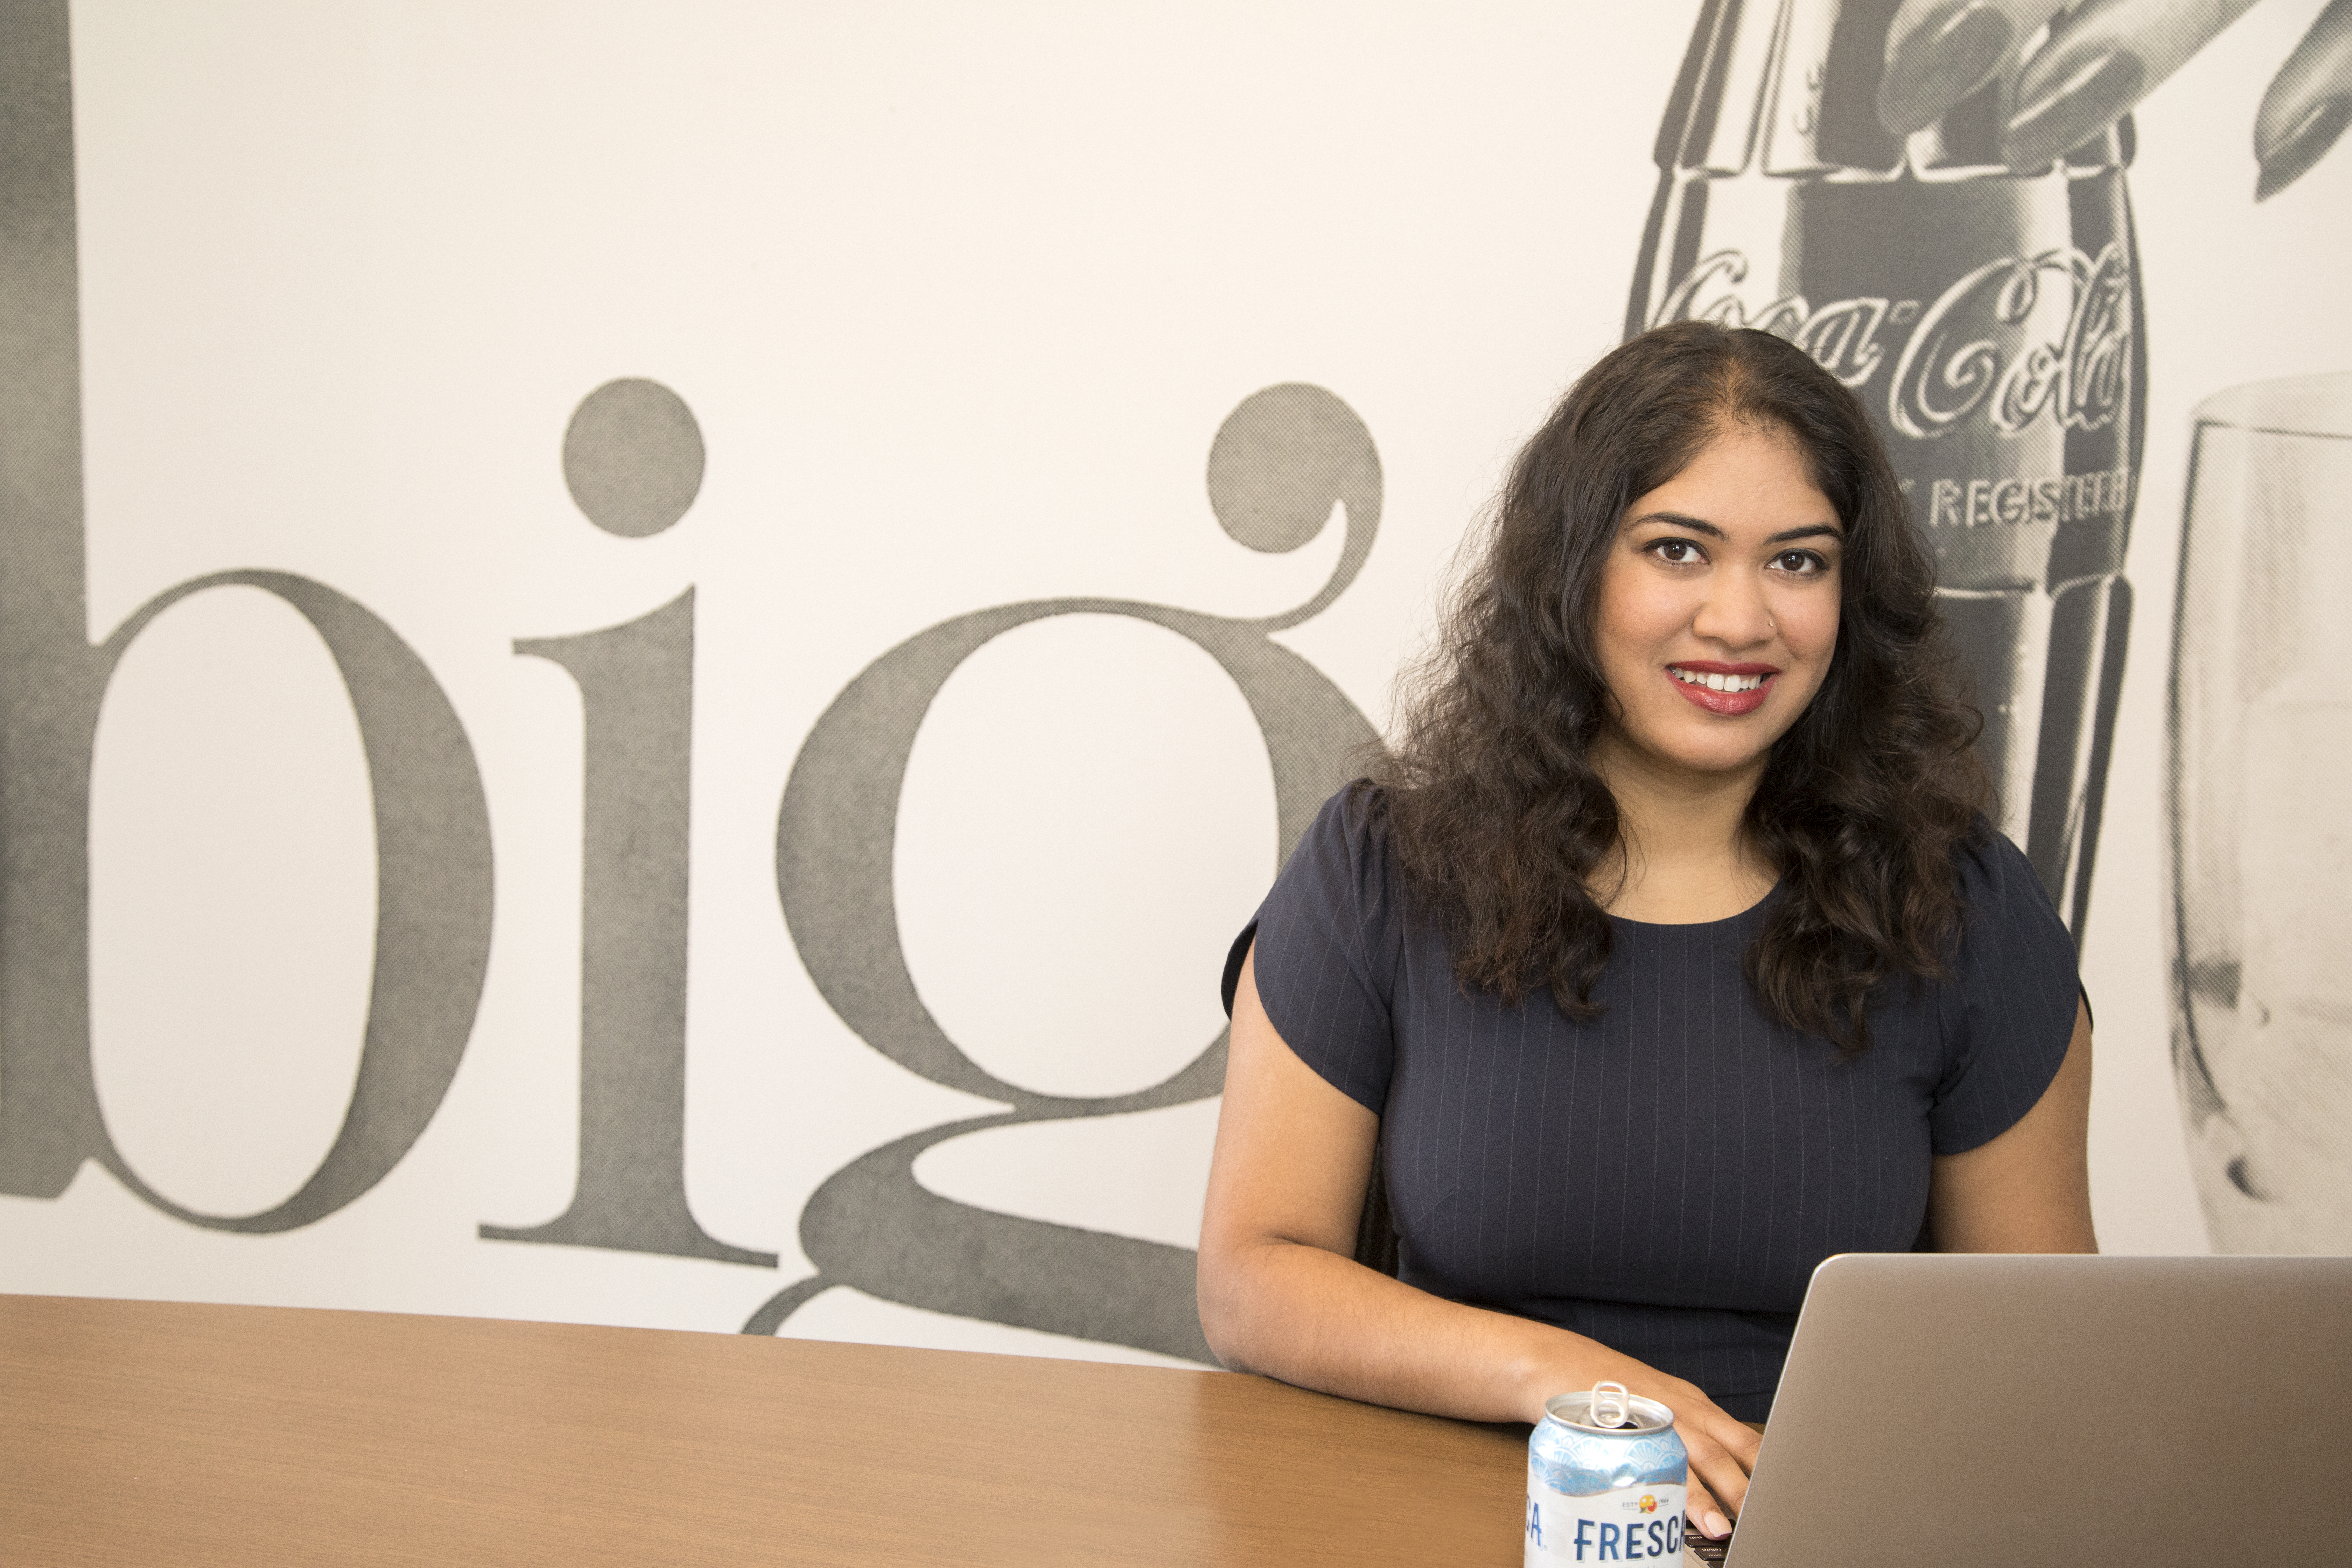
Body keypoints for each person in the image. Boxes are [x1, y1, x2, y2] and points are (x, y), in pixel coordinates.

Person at [1195, 320, 2096, 1547]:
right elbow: (1253, 1276)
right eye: (1677, 550)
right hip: (1436, 1522)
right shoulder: (1378, 873)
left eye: (1798, 562)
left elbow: (2043, 1362)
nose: (1740, 618)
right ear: (1573, 574)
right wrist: (1568, 1383)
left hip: (1811, 1534)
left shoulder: (1967, 911)